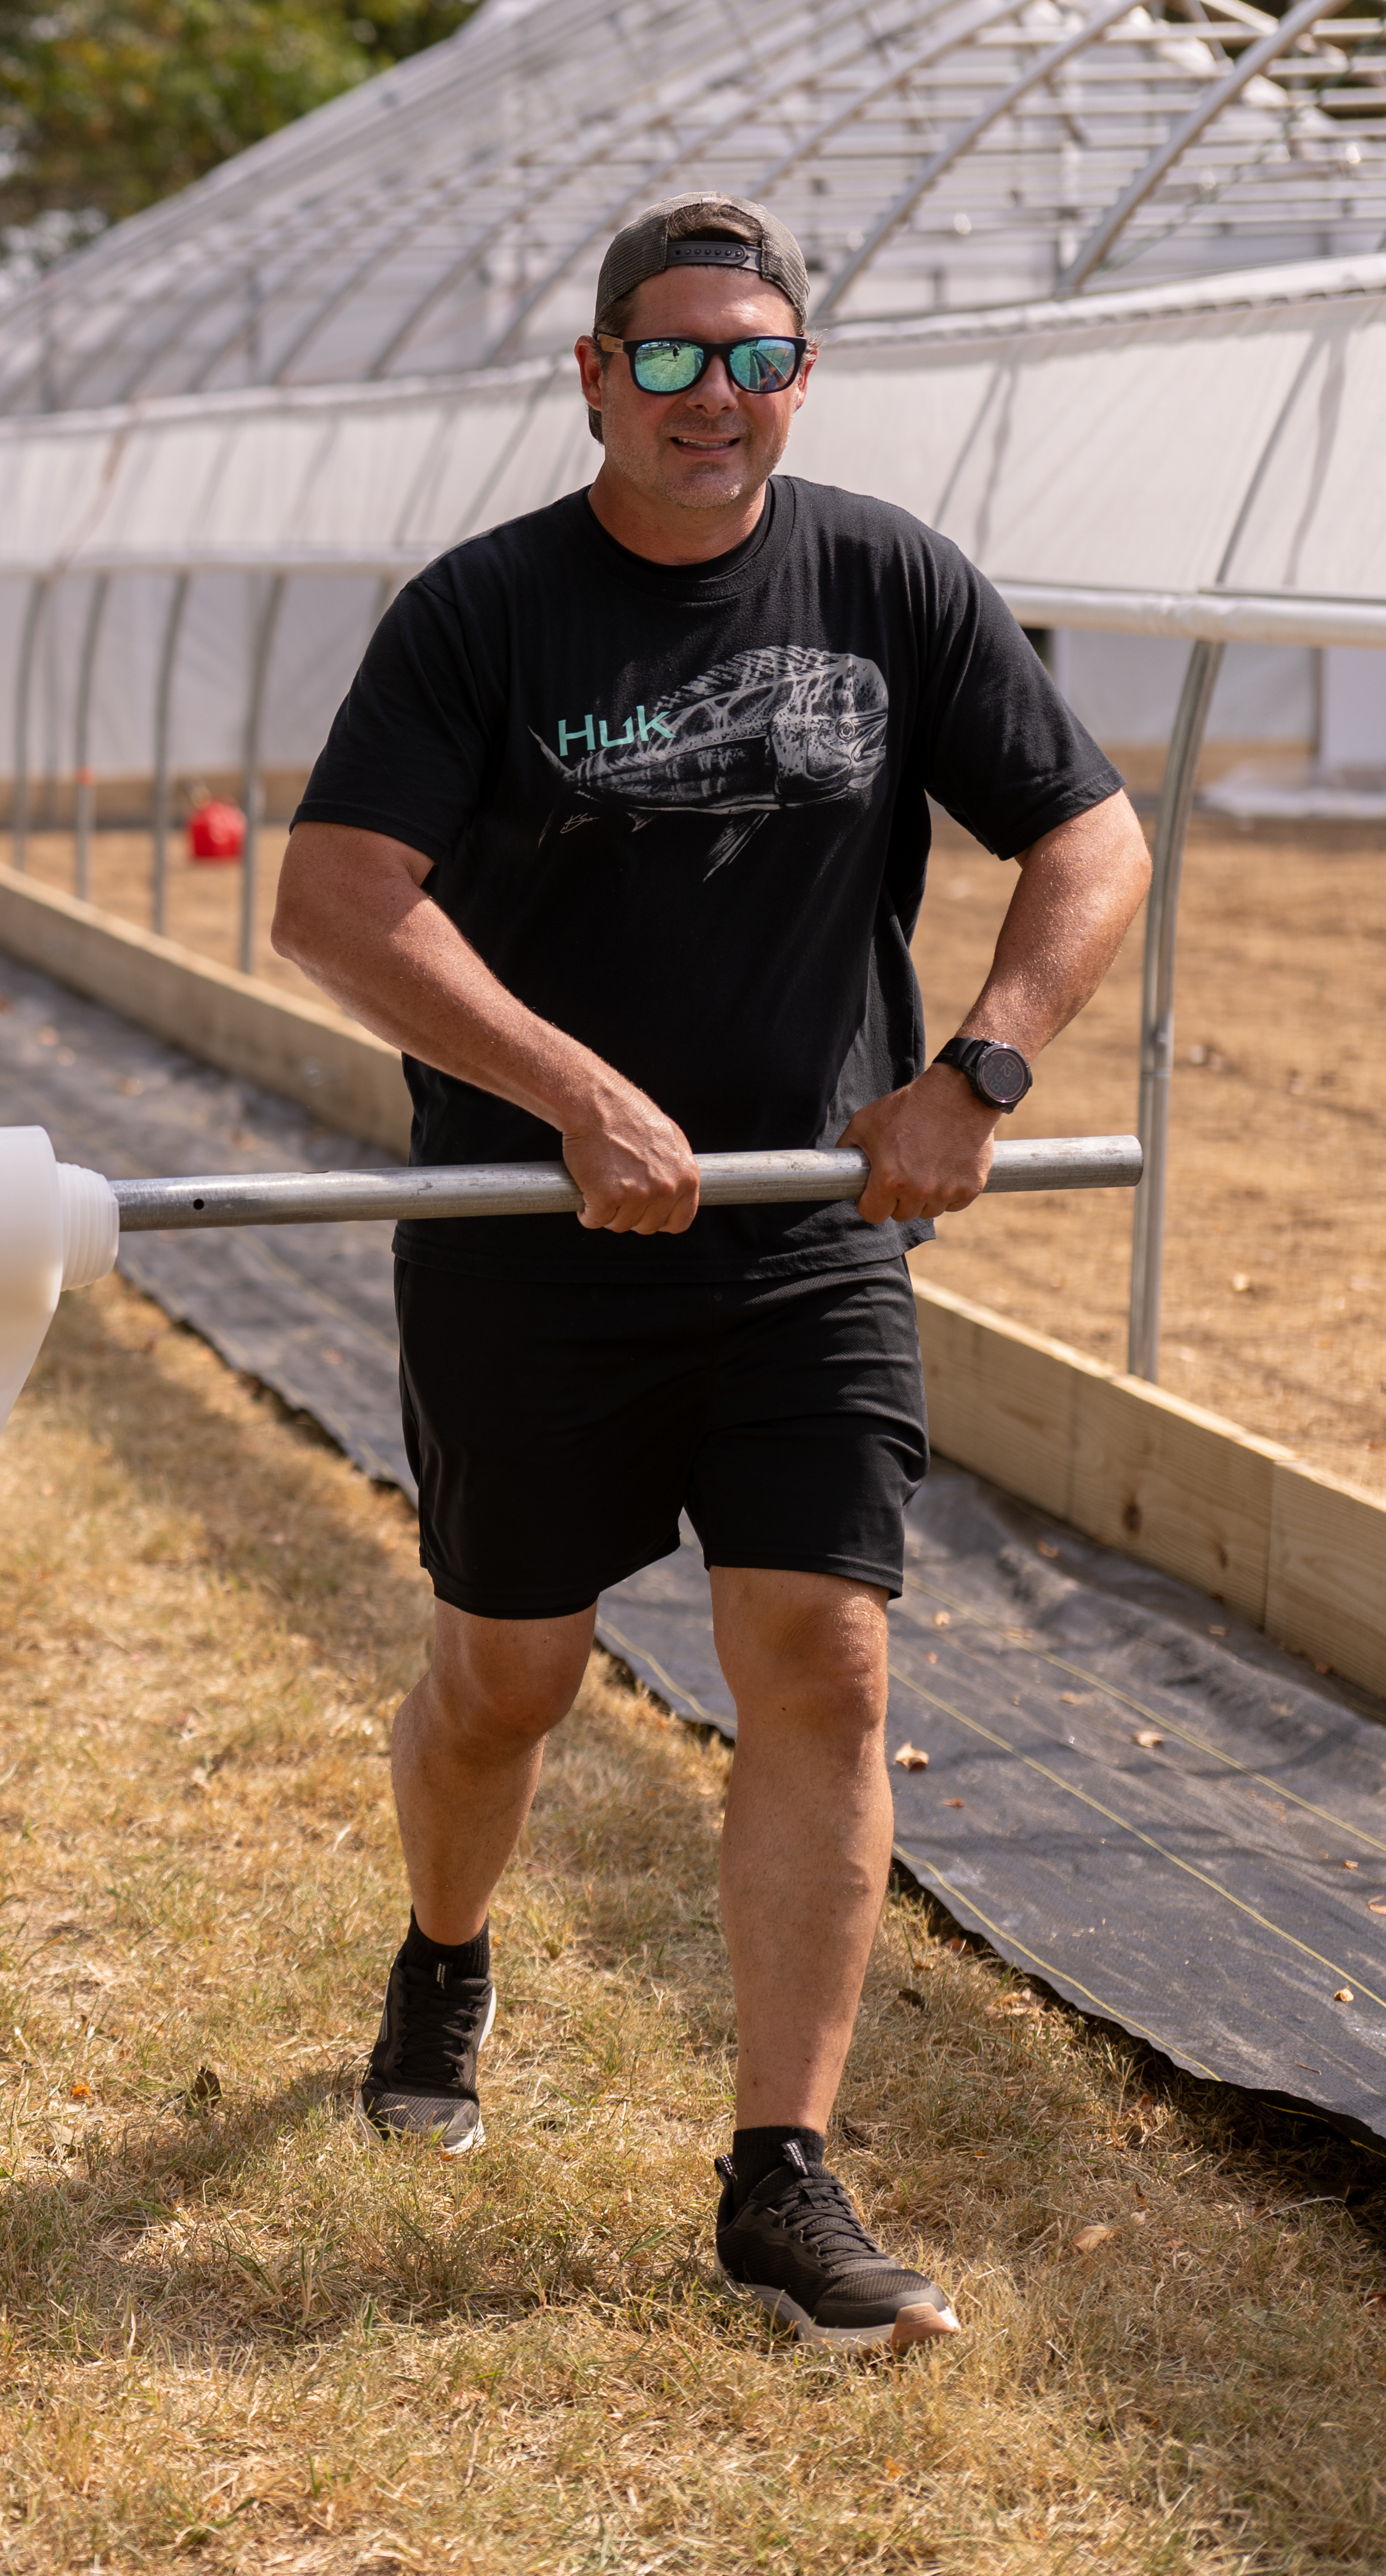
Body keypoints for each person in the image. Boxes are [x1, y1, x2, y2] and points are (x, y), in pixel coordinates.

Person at [271, 194, 1150, 2354]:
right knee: (511, 1682)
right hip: (531, 1244)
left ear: (799, 377)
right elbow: (337, 898)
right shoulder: (483, 616)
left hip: (801, 1243)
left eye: (756, 356)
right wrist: (569, 1088)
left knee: (827, 1663)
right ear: (594, 377)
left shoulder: (886, 580)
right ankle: (448, 1946)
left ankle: (783, 2178)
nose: (716, 399)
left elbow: (1092, 834)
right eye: (670, 359)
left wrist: (979, 1069)